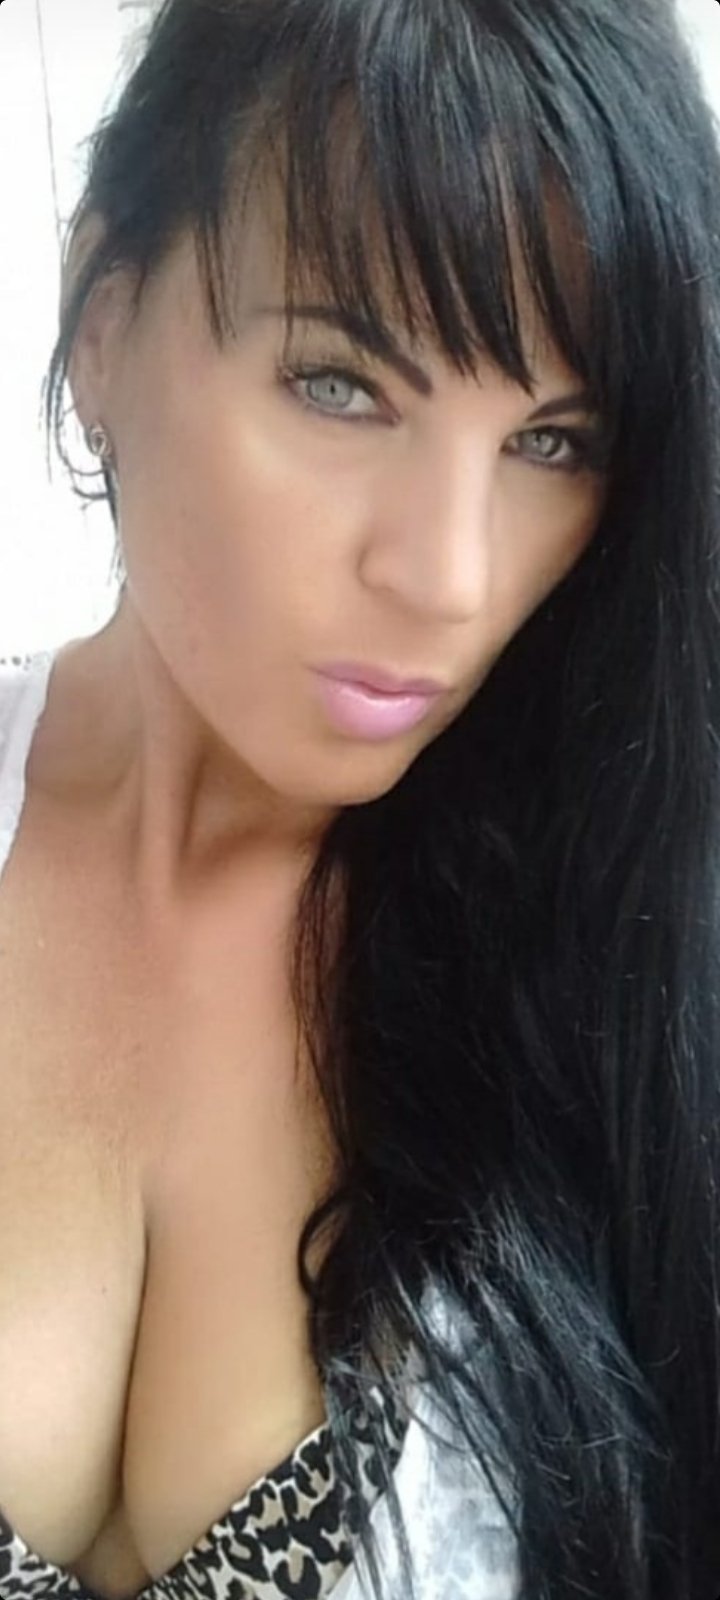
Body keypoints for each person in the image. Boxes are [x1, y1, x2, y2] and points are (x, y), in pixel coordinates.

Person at [0, 0, 719, 1596]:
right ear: (101, 320)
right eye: (340, 385)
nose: (450, 577)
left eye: (554, 440)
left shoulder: (630, 956)